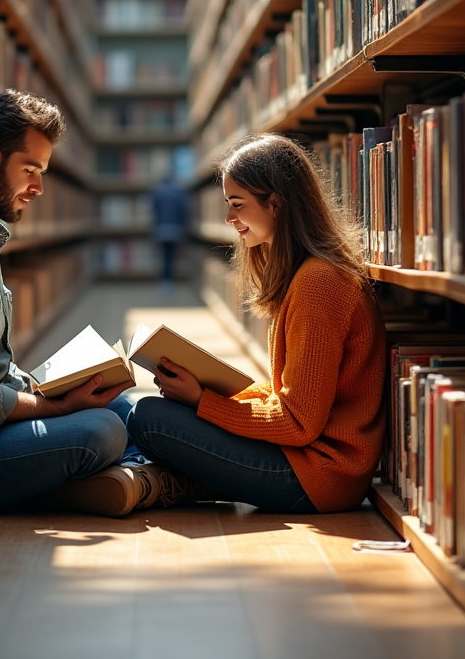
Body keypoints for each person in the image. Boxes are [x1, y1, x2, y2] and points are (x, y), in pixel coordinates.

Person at [0, 90, 183, 517]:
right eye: (30, 170)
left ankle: (126, 478)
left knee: (119, 406)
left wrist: (50, 389)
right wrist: (54, 406)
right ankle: (137, 477)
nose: (38, 187)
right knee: (103, 430)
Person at [127, 134, 387, 514]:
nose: (230, 219)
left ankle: (155, 478)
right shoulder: (309, 275)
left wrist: (203, 400)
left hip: (319, 476)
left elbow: (299, 423)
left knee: (148, 419)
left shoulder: (319, 283)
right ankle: (165, 480)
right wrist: (210, 391)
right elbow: (294, 395)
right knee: (124, 409)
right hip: (304, 460)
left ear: (275, 204)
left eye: (237, 205)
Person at [149, 172, 189, 291]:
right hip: (175, 229)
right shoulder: (179, 192)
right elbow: (184, 211)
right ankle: (169, 281)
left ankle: (164, 281)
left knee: (163, 256)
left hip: (160, 229)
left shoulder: (157, 192)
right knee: (171, 256)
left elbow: (153, 210)